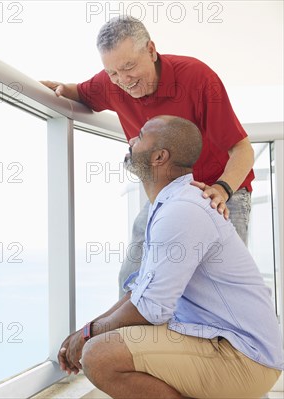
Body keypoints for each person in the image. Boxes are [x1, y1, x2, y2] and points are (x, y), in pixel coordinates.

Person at [57, 115, 282, 399]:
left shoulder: (181, 211)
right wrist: (86, 329)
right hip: (220, 342)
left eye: (139, 137)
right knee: (103, 339)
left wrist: (88, 335)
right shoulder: (170, 204)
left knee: (100, 355)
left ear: (160, 156)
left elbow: (151, 309)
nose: (130, 141)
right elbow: (142, 291)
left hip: (245, 357)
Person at [41, 16, 255, 297]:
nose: (124, 80)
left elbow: (243, 150)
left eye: (129, 67)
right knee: (133, 276)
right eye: (114, 72)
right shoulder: (111, 83)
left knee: (220, 290)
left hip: (222, 191)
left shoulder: (197, 78)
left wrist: (222, 190)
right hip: (170, 195)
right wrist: (33, 90)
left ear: (151, 51)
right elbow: (76, 91)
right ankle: (127, 340)